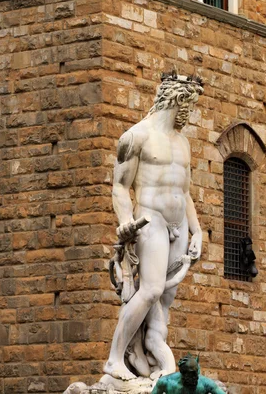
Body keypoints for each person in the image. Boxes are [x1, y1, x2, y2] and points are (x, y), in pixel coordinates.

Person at [104, 72, 204, 381]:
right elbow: (120, 187)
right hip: (151, 219)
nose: (189, 113)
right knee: (150, 290)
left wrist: (197, 230)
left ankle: (152, 347)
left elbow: (185, 191)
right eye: (189, 105)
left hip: (177, 224)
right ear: (177, 100)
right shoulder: (136, 136)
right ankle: (114, 359)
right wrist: (125, 222)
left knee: (165, 297)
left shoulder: (182, 142)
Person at [151, 354, 226, 394]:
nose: (195, 377)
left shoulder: (206, 384)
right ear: (182, 373)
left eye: (196, 373)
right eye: (191, 374)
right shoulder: (166, 382)